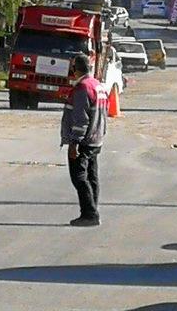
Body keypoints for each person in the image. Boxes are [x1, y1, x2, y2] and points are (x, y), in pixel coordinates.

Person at [60, 54, 109, 227]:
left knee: (79, 176)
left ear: (75, 68)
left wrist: (74, 143)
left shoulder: (82, 88)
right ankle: (92, 209)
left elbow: (81, 119)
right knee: (91, 176)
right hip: (97, 138)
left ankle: (89, 214)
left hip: (84, 141)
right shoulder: (98, 86)